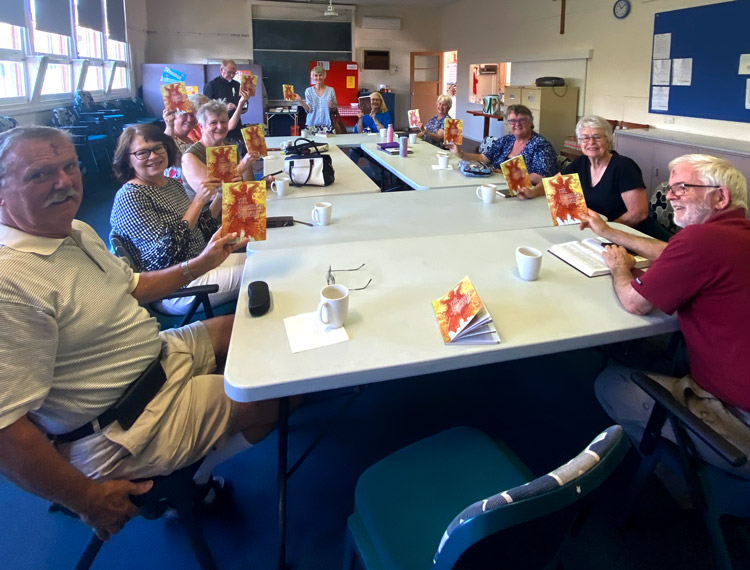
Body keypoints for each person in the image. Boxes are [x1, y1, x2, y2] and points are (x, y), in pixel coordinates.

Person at [0, 126, 284, 541]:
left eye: (69, 167)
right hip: (123, 421)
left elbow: (135, 286)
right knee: (280, 391)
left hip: (158, 354)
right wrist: (87, 499)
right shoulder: (10, 281)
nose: (64, 181)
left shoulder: (75, 232)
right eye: (40, 175)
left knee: (261, 326)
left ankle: (196, 461)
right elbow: (6, 428)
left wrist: (203, 262)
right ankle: (194, 484)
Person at [581, 154, 750, 478]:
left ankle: (687, 489)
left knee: (610, 382)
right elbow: (672, 252)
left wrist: (620, 268)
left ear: (721, 196)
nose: (669, 196)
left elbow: (635, 301)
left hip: (738, 420)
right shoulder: (731, 236)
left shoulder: (702, 240)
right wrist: (611, 233)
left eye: (682, 187)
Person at [110, 124, 244, 315]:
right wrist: (198, 202)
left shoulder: (171, 184)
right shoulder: (131, 197)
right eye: (142, 153)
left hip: (200, 262)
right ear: (128, 160)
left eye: (158, 148)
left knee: (260, 260)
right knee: (259, 273)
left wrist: (222, 194)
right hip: (176, 286)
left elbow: (202, 228)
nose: (154, 156)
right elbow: (164, 255)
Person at [520, 115, 653, 233]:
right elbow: (553, 183)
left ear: (608, 140)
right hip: (589, 230)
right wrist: (531, 192)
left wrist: (607, 231)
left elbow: (638, 214)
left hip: (621, 234)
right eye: (585, 138)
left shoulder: (624, 167)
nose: (591, 142)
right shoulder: (581, 162)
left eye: (597, 137)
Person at [448, 104, 557, 184]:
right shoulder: (507, 140)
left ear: (531, 122)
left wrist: (506, 174)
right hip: (496, 184)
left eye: (522, 120)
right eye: (512, 121)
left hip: (525, 191)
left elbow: (542, 177)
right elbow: (483, 158)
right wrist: (460, 154)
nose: (517, 124)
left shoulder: (541, 145)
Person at [182, 99, 259, 201]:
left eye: (223, 122)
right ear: (201, 127)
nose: (220, 126)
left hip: (234, 208)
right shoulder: (190, 157)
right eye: (213, 123)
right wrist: (240, 168)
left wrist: (260, 181)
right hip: (207, 215)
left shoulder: (230, 148)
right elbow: (212, 195)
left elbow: (248, 186)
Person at [203, 59, 246, 141]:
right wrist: (225, 107)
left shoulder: (237, 85)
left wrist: (243, 105)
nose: (232, 75)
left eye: (234, 73)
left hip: (236, 128)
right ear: (222, 69)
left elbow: (243, 108)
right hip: (218, 129)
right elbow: (206, 110)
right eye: (229, 72)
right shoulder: (211, 86)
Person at [295, 65, 338, 133]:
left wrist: (333, 106)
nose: (318, 77)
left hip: (327, 125)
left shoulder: (331, 90)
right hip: (312, 125)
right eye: (316, 75)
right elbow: (309, 109)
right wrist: (301, 101)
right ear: (312, 77)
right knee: (312, 143)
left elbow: (335, 108)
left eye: (320, 75)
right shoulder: (308, 91)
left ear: (324, 76)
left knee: (328, 143)